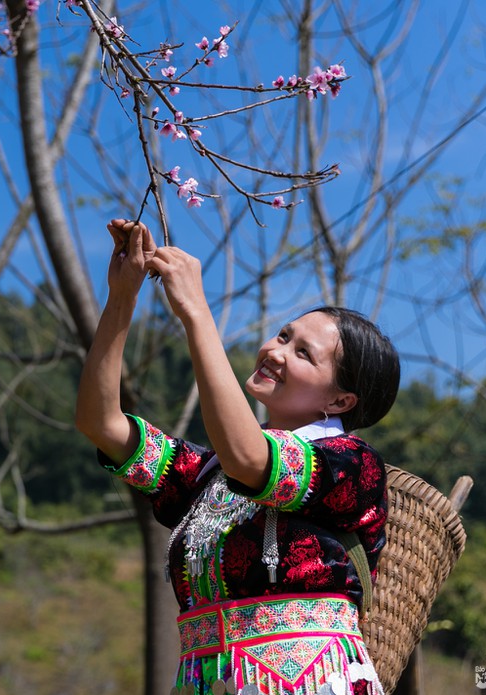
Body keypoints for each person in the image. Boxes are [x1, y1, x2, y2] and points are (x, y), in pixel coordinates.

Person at [75, 219, 400, 695]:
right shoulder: (207, 473)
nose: (274, 350)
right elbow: (100, 423)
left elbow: (251, 458)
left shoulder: (351, 464)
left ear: (340, 402)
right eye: (284, 335)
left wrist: (197, 313)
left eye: (303, 353)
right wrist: (122, 297)